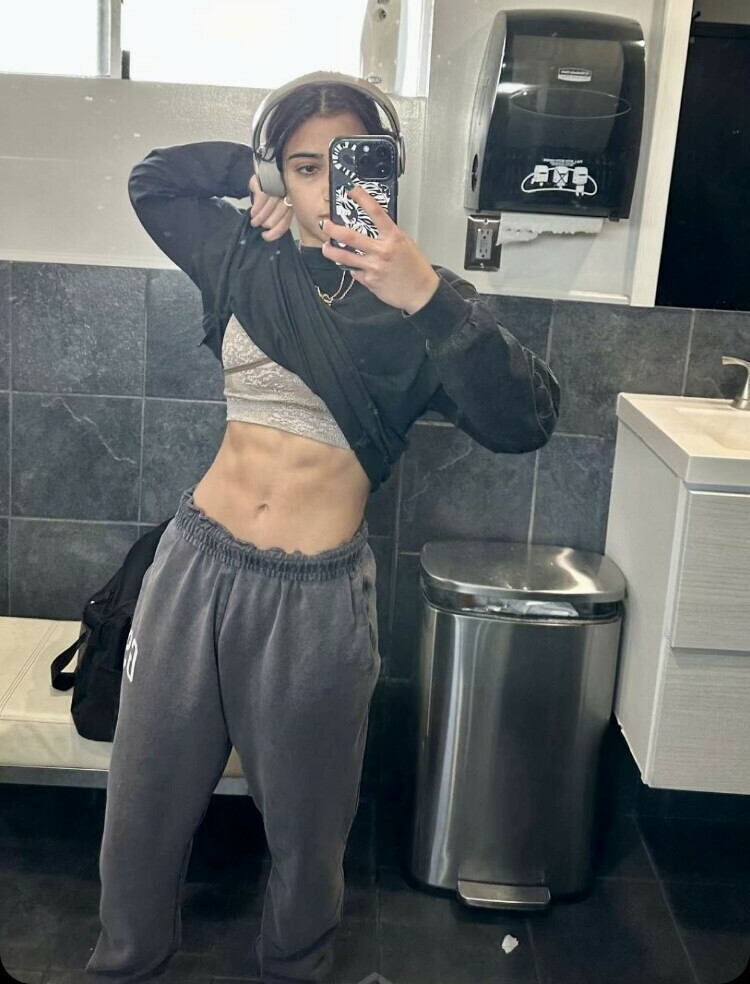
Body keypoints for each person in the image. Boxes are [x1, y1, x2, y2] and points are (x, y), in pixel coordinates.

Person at [85, 76, 560, 984]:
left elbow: (527, 421)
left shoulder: (428, 303)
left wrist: (427, 294)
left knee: (308, 833)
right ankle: (123, 966)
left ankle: (295, 970)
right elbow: (154, 181)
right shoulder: (247, 258)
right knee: (140, 811)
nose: (327, 188)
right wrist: (249, 173)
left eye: (349, 165)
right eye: (306, 167)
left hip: (313, 602)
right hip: (194, 566)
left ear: (386, 172)